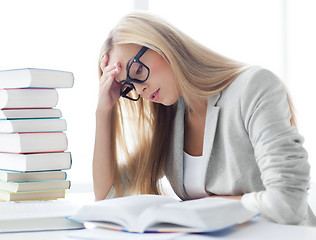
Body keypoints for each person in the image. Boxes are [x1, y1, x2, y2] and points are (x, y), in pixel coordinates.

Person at [93, 11, 316, 226]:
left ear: (164, 45)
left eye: (138, 71)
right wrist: (103, 112)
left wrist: (203, 207)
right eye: (128, 87)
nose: (140, 90)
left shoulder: (253, 87)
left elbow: (289, 204)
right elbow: (108, 199)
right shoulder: (170, 119)